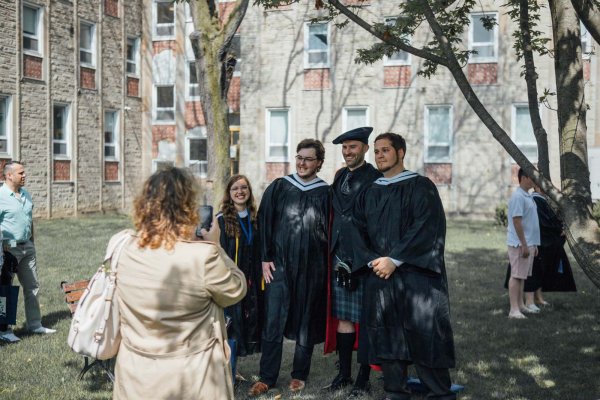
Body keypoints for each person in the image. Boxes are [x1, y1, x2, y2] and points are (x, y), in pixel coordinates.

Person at [112, 167, 247, 400]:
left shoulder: (121, 246)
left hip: (136, 374)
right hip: (192, 377)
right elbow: (236, 289)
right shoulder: (203, 256)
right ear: (187, 207)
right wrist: (215, 246)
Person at [353, 133, 456, 400]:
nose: (379, 155)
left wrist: (394, 259)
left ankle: (439, 393)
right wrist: (373, 260)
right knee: (387, 333)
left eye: (385, 150)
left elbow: (427, 227)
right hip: (380, 275)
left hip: (416, 276)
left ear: (401, 152)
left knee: (424, 331)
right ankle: (396, 391)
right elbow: (356, 229)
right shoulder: (370, 190)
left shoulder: (421, 186)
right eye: (376, 151)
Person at [249, 139, 330, 396]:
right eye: (299, 157)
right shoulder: (280, 187)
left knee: (306, 318)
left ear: (319, 162)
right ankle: (267, 376)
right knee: (273, 319)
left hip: (313, 268)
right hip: (279, 266)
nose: (302, 163)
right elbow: (265, 222)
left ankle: (299, 374)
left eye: (308, 158)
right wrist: (265, 258)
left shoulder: (326, 192)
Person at [324, 127, 381, 396]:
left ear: (365, 149)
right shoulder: (339, 177)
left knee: (367, 319)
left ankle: (363, 378)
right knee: (344, 318)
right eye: (345, 148)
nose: (348, 152)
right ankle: (344, 374)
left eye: (353, 147)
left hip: (365, 258)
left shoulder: (375, 178)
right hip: (339, 256)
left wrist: (369, 257)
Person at [0, 161, 56, 342]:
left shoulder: (26, 194)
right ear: (9, 175)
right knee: (5, 290)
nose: (24, 176)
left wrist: (32, 242)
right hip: (8, 248)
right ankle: (5, 330)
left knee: (32, 286)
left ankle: (35, 324)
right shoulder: (1, 196)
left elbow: (29, 221)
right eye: (21, 173)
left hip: (27, 247)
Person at [215, 175, 263, 376]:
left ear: (249, 191)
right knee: (230, 324)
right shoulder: (221, 220)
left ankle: (234, 369)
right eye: (235, 188)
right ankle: (228, 372)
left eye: (244, 187)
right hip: (231, 278)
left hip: (252, 279)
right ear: (229, 193)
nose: (240, 191)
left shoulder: (256, 218)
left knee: (247, 322)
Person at [507, 167, 540, 319]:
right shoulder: (518, 197)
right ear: (524, 177)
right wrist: (525, 244)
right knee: (516, 275)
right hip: (519, 244)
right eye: (533, 177)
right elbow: (517, 221)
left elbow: (530, 222)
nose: (535, 180)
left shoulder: (528, 196)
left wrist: (533, 244)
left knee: (522, 276)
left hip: (528, 244)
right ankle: (514, 310)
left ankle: (520, 305)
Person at [531, 185, 576, 295]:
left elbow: (550, 219)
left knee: (542, 269)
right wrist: (559, 230)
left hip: (546, 238)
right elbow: (543, 222)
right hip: (542, 239)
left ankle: (539, 296)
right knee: (539, 269)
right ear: (536, 187)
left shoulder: (542, 200)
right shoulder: (536, 200)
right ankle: (537, 296)